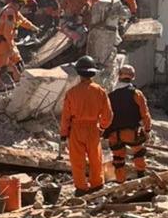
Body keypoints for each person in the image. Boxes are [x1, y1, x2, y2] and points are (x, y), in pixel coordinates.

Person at [59, 56, 112, 195]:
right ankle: (97, 185)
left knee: (77, 160)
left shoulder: (71, 92)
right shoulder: (100, 91)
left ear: (78, 72)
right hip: (93, 128)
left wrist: (64, 134)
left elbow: (65, 117)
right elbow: (108, 115)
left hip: (76, 129)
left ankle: (81, 187)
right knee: (95, 158)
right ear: (93, 72)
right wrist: (102, 127)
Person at [106, 64, 152, 183]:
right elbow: (145, 114)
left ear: (119, 76)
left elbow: (106, 116)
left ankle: (121, 182)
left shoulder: (110, 96)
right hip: (131, 132)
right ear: (133, 77)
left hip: (114, 134)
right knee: (139, 153)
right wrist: (147, 130)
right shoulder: (136, 94)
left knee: (118, 159)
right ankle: (141, 178)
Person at [0, 0, 38, 88]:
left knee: (17, 63)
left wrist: (33, 27)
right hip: (2, 43)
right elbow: (7, 33)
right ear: (21, 3)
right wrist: (11, 48)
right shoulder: (10, 13)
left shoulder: (13, 10)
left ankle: (20, 84)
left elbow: (23, 20)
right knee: (1, 67)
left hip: (6, 42)